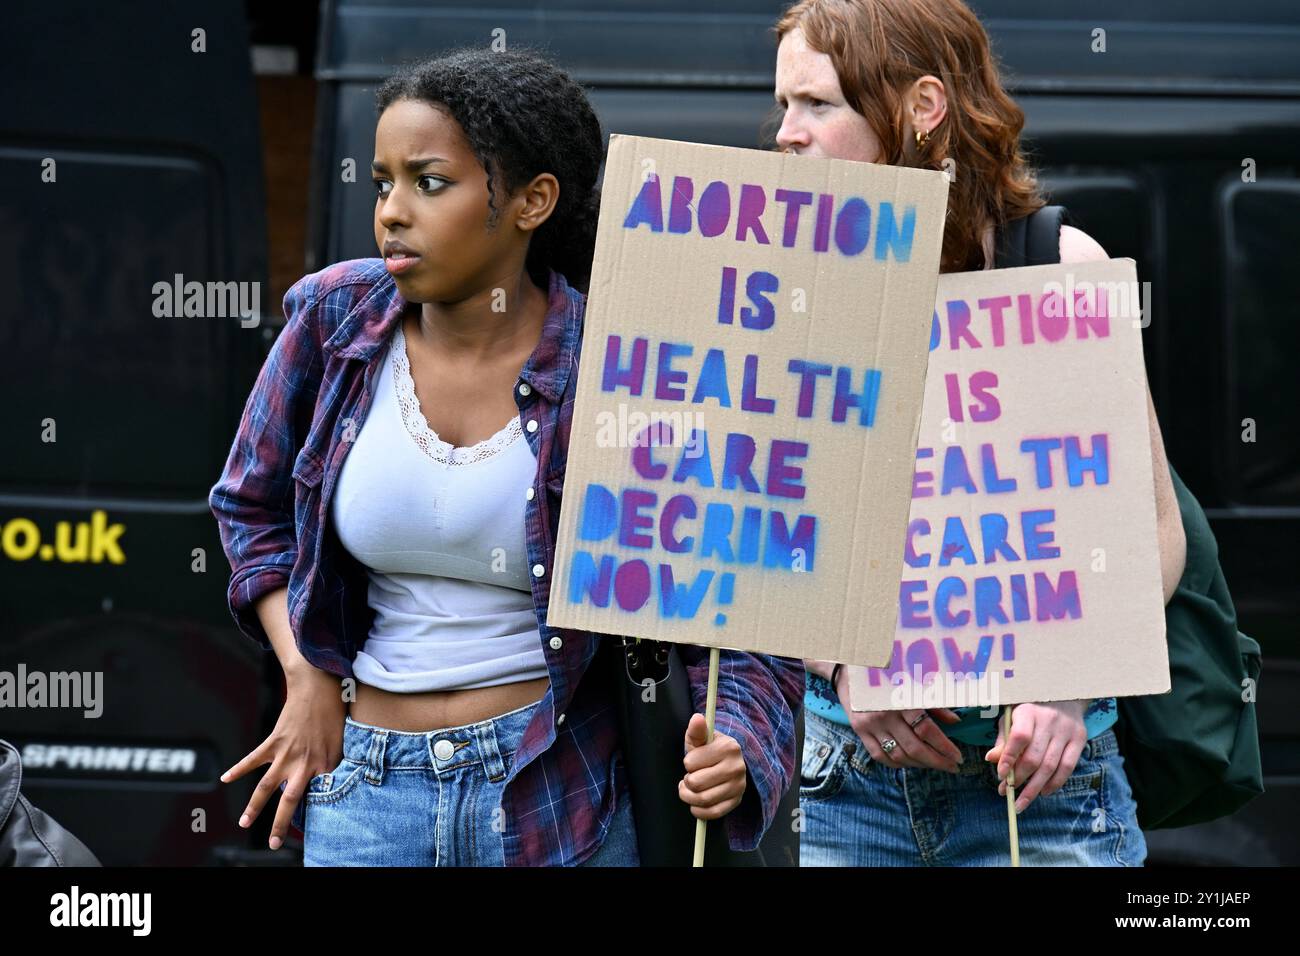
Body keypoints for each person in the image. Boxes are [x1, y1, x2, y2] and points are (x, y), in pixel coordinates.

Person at [209, 47, 804, 866]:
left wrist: (737, 742)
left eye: (429, 182)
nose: (392, 211)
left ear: (532, 201)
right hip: (365, 792)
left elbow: (734, 582)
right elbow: (251, 508)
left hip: (555, 799)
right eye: (382, 182)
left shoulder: (620, 359)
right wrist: (305, 672)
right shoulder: (333, 322)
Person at [770, 0, 1188, 866]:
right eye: (782, 106)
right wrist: (842, 671)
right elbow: (759, 537)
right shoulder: (786, 288)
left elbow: (1152, 533)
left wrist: (1071, 686)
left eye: (816, 105)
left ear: (923, 108)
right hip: (853, 786)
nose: (786, 133)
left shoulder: (1054, 267)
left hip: (1042, 796)